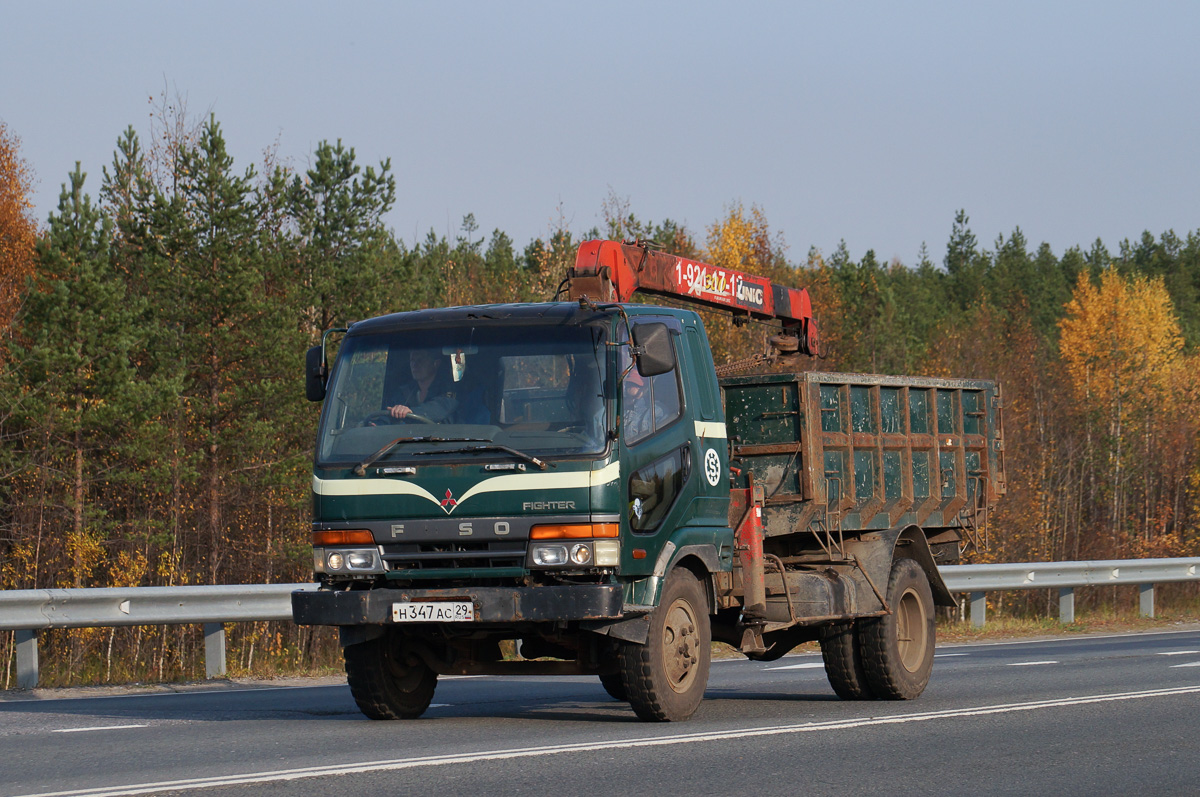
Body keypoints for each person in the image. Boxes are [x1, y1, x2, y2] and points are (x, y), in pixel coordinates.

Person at [386, 349, 458, 422]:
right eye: (412, 360)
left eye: (420, 360)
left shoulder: (447, 391)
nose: (415, 364)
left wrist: (410, 412)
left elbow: (439, 409)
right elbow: (387, 414)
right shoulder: (404, 392)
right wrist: (378, 424)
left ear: (436, 363)